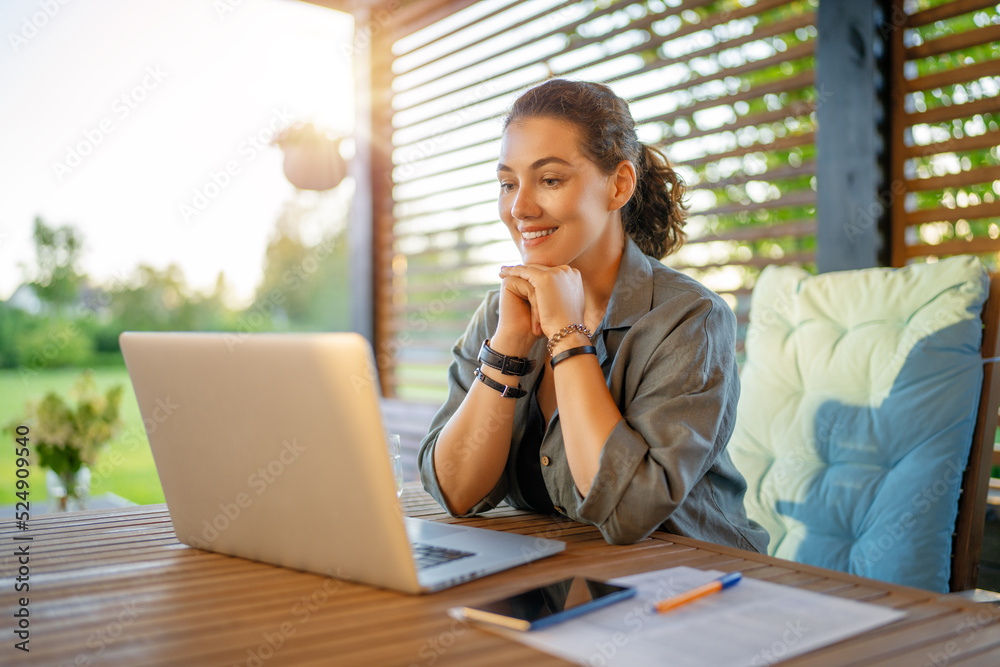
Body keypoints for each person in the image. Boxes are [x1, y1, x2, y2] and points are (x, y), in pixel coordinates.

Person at [417, 78, 769, 552]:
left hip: (693, 582)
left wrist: (567, 335)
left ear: (619, 185)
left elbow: (628, 514)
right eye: (507, 183)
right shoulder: (503, 312)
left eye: (550, 179)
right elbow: (455, 491)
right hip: (564, 580)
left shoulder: (690, 318)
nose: (519, 208)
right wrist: (507, 349)